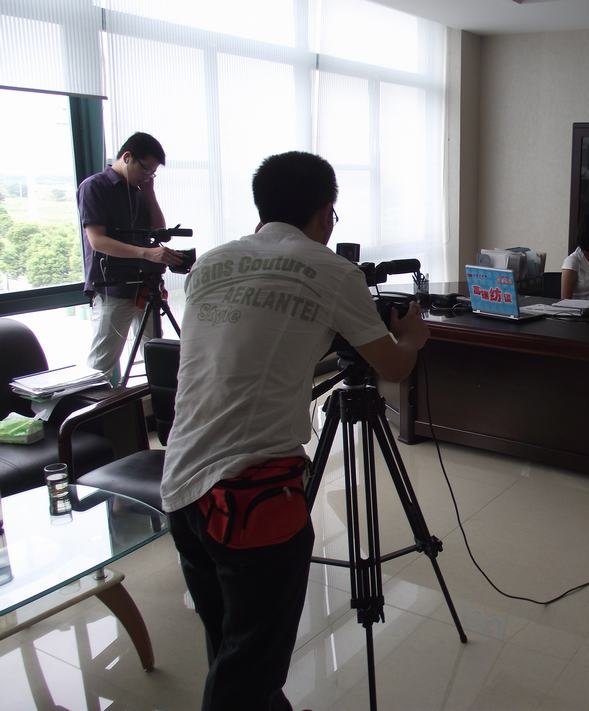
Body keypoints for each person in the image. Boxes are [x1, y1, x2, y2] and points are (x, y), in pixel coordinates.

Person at [160, 151, 430, 711]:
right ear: (326, 212)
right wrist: (412, 337)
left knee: (232, 645)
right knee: (248, 668)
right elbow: (393, 368)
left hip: (181, 483)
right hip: (251, 496)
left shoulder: (211, 263)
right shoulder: (332, 270)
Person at [76, 132, 183, 382]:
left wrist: (150, 193)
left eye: (153, 173)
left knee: (156, 355)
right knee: (102, 363)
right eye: (146, 169)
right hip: (113, 286)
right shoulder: (95, 187)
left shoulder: (138, 191)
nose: (148, 176)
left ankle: (156, 403)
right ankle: (91, 407)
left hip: (145, 286)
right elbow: (97, 241)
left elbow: (159, 231)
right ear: (127, 157)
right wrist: (146, 253)